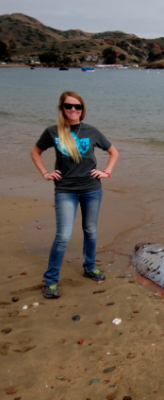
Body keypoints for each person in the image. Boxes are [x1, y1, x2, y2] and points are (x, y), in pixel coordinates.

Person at [30, 91, 119, 299]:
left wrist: (106, 172)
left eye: (77, 107)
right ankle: (50, 280)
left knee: (90, 230)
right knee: (63, 236)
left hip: (92, 188)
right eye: (69, 106)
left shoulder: (91, 131)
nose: (73, 110)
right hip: (65, 190)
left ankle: (90, 267)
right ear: (62, 108)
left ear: (82, 109)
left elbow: (113, 152)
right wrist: (45, 173)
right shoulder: (53, 132)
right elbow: (35, 152)